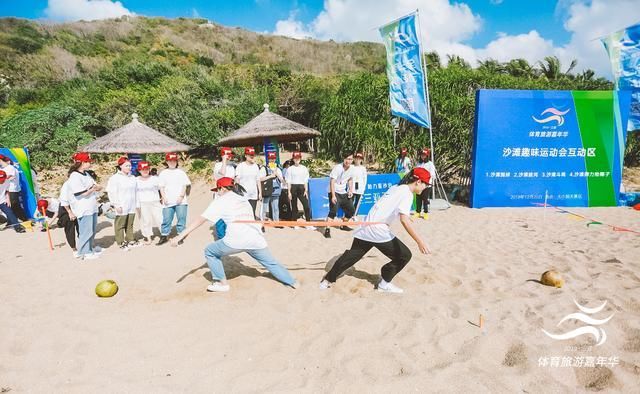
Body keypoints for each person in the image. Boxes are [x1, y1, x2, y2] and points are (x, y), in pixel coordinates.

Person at [171, 177, 297, 292]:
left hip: (236, 240)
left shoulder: (221, 200)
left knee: (210, 251)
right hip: (255, 238)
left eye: (218, 190)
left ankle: (222, 284)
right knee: (271, 263)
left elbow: (200, 220)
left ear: (222, 188)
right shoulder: (243, 199)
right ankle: (292, 282)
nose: (217, 193)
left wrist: (180, 236)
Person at [319, 168, 432, 294]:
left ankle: (327, 280)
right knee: (405, 255)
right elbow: (403, 221)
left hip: (366, 224)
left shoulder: (397, 187)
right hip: (377, 230)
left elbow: (387, 205)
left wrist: (406, 215)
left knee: (352, 256)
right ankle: (384, 283)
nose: (425, 187)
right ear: (418, 182)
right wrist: (420, 242)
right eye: (425, 184)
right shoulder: (407, 193)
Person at [67, 152, 103, 260]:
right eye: (87, 162)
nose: (89, 164)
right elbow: (81, 193)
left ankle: (90, 248)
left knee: (91, 229)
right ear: (81, 163)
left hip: (92, 206)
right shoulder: (74, 176)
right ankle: (84, 252)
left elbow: (95, 186)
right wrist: (92, 189)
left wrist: (95, 188)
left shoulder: (86, 174)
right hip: (83, 207)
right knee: (85, 231)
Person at [158, 152, 191, 246]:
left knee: (181, 218)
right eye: (170, 161)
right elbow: (161, 187)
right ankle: (164, 235)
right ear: (167, 162)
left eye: (174, 160)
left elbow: (185, 185)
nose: (172, 162)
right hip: (168, 200)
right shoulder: (163, 173)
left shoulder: (181, 172)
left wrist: (181, 196)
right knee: (167, 219)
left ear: (177, 162)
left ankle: (180, 235)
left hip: (181, 200)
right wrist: (164, 197)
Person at [107, 156, 139, 250]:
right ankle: (120, 242)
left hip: (131, 204)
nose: (129, 167)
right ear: (120, 166)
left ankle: (130, 239)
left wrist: (137, 203)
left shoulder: (133, 177)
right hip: (121, 204)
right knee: (120, 224)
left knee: (130, 223)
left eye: (130, 166)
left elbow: (136, 191)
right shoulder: (115, 178)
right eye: (126, 166)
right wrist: (116, 204)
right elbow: (112, 192)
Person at [324, 153, 356, 239]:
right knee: (333, 211)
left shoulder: (352, 168)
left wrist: (350, 190)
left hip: (343, 192)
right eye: (346, 159)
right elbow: (332, 181)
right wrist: (333, 196)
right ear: (343, 159)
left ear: (352, 160)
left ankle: (343, 225)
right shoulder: (337, 168)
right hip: (334, 191)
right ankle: (327, 230)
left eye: (350, 159)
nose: (348, 161)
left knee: (351, 210)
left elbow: (350, 179)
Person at [136, 161, 163, 245]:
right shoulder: (135, 180)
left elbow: (161, 188)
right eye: (143, 169)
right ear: (139, 170)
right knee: (145, 221)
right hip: (142, 203)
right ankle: (148, 238)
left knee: (160, 218)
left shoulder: (155, 178)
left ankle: (165, 235)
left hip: (155, 201)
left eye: (147, 169)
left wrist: (163, 197)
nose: (145, 171)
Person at [53, 174, 79, 257]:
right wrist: (70, 212)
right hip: (66, 210)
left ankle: (84, 246)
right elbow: (64, 201)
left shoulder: (78, 184)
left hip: (76, 209)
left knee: (81, 229)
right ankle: (74, 249)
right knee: (70, 230)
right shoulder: (67, 185)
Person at [286, 152, 314, 230]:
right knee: (294, 207)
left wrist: (306, 190)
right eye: (295, 158)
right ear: (293, 159)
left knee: (306, 206)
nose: (297, 159)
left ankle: (308, 223)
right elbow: (288, 181)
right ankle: (294, 223)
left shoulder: (304, 168)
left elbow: (305, 180)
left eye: (298, 158)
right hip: (293, 187)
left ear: (300, 158)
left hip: (302, 187)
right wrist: (289, 192)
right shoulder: (290, 169)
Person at [235, 147, 262, 217]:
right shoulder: (240, 166)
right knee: (243, 213)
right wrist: (238, 192)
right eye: (250, 155)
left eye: (253, 155)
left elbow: (258, 180)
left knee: (252, 212)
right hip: (243, 194)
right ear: (245, 155)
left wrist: (260, 193)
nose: (252, 156)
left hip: (253, 194)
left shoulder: (256, 166)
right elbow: (237, 180)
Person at [0, 154, 27, 221]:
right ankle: (11, 221)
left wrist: (4, 178)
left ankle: (24, 219)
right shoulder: (1, 169)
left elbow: (10, 177)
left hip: (12, 190)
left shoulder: (10, 168)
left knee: (15, 206)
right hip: (5, 190)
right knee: (8, 207)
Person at [260, 151, 284, 224]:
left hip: (275, 190)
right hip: (267, 189)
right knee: (264, 206)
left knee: (276, 207)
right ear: (268, 159)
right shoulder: (264, 168)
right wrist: (270, 176)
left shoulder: (278, 169)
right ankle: (262, 221)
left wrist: (276, 173)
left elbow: (282, 180)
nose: (272, 160)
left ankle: (276, 221)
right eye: (270, 159)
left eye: (273, 158)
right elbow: (260, 179)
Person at [415, 148, 435, 219]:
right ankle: (417, 212)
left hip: (427, 185)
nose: (423, 156)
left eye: (424, 155)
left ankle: (426, 213)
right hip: (419, 184)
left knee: (425, 199)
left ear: (427, 156)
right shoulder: (418, 164)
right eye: (422, 155)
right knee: (418, 198)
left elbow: (432, 175)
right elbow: (416, 173)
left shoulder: (430, 164)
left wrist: (427, 183)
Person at [351, 152, 368, 217]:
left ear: (361, 160)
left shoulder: (363, 168)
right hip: (352, 188)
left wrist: (363, 188)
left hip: (360, 188)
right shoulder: (351, 167)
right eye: (356, 158)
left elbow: (365, 179)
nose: (358, 160)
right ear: (354, 159)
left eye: (359, 159)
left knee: (357, 203)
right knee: (350, 202)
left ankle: (355, 215)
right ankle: (349, 215)